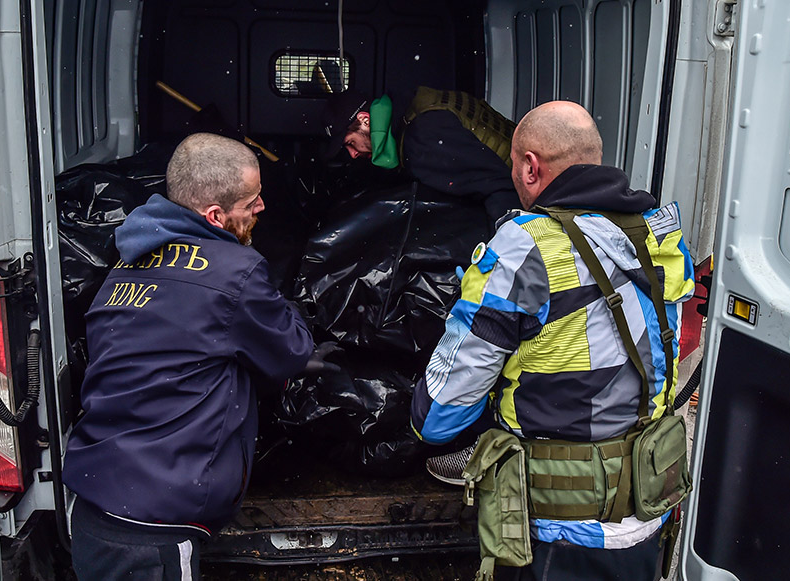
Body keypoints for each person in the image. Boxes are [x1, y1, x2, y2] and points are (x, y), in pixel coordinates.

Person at [410, 102, 695, 579]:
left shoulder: (526, 245)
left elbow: (441, 414)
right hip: (646, 515)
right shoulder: (657, 233)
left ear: (529, 166)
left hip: (559, 531)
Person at [62, 133, 315, 581]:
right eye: (251, 201)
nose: (261, 208)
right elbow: (290, 352)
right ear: (215, 216)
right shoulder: (236, 271)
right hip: (151, 527)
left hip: (94, 501)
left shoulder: (125, 265)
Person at [322, 87, 522, 221]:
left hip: (531, 195)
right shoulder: (413, 106)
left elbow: (499, 189)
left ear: (365, 120)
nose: (353, 154)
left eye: (350, 143)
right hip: (529, 168)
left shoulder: (421, 138)